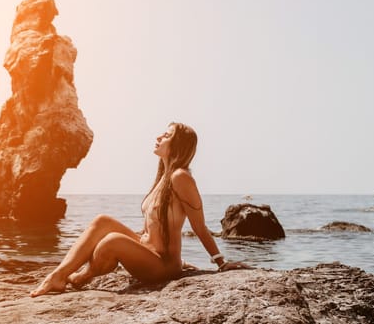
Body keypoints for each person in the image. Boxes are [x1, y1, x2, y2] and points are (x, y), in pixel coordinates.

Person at [30, 122, 252, 297]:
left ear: (178, 145)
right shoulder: (162, 179)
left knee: (111, 241)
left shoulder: (180, 177)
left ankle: (73, 276)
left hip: (163, 265)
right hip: (147, 251)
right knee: (101, 221)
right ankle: (67, 276)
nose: (158, 137)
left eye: (166, 135)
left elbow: (199, 227)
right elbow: (151, 229)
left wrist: (221, 263)